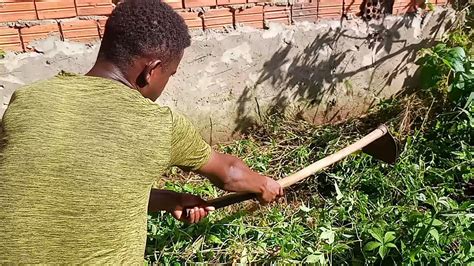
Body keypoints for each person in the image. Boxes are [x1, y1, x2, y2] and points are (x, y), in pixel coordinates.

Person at [0, 0, 283, 264]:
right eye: (170, 75)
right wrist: (264, 185)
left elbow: (71, 186)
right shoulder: (159, 123)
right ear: (152, 70)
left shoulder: (28, 98)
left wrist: (170, 200)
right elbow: (230, 174)